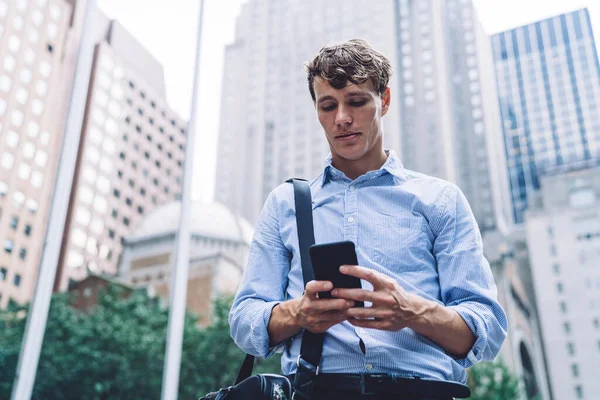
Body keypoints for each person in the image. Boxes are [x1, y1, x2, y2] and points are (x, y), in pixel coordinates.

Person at [229, 39, 507, 399]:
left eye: (357, 102)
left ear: (385, 101)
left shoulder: (442, 200)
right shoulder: (285, 204)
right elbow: (244, 320)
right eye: (328, 106)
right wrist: (298, 313)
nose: (342, 118)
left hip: (424, 391)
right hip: (319, 390)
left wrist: (411, 311)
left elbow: (485, 330)